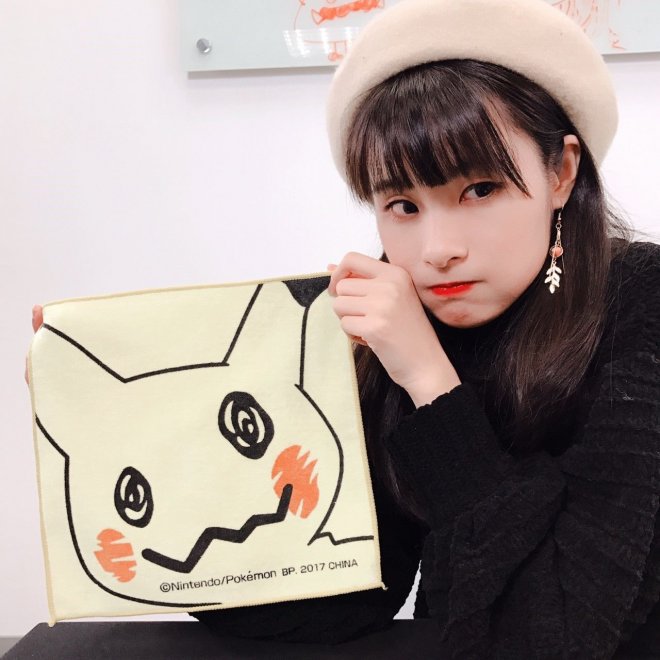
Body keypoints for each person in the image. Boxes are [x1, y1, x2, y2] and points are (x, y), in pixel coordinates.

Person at [27, 0, 660, 656]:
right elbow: (347, 598)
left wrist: (430, 382)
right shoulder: (399, 327)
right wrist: (118, 426)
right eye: (402, 205)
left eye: (479, 190)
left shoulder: (640, 301)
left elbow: (556, 635)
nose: (437, 249)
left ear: (561, 172)